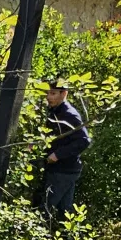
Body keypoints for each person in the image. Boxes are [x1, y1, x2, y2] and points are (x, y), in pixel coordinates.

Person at [41, 79, 89, 227]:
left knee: (45, 209)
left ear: (64, 94)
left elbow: (84, 140)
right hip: (62, 169)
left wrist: (58, 155)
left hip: (63, 171)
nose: (49, 97)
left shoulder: (69, 114)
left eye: (53, 93)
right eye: (48, 93)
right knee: (65, 211)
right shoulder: (54, 111)